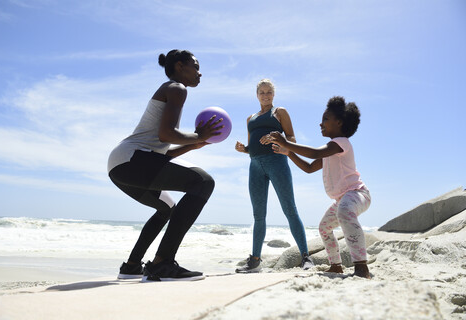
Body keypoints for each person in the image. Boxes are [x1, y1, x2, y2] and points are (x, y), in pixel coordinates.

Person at [107, 49, 224, 282]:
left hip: (121, 164)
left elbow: (159, 151)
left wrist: (192, 145)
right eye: (196, 66)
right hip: (132, 159)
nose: (200, 73)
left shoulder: (170, 90)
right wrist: (198, 135)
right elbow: (166, 134)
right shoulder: (176, 88)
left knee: (166, 209)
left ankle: (131, 266)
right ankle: (163, 263)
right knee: (203, 182)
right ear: (180, 66)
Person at [264, 96, 372, 279]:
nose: (320, 123)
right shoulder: (330, 150)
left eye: (325, 119)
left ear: (339, 122)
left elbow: (315, 152)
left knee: (345, 211)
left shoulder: (341, 143)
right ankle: (336, 265)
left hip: (358, 194)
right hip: (343, 199)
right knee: (324, 227)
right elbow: (308, 168)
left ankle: (361, 266)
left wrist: (286, 143)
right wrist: (288, 152)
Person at [234, 79, 314, 273]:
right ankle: (255, 260)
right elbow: (251, 147)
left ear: (274, 94)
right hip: (255, 166)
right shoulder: (250, 118)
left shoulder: (280, 112)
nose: (265, 95)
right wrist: (243, 149)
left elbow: (292, 139)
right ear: (256, 95)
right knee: (258, 215)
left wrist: (276, 138)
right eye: (261, 92)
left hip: (277, 162)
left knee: (289, 209)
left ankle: (306, 257)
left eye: (269, 92)